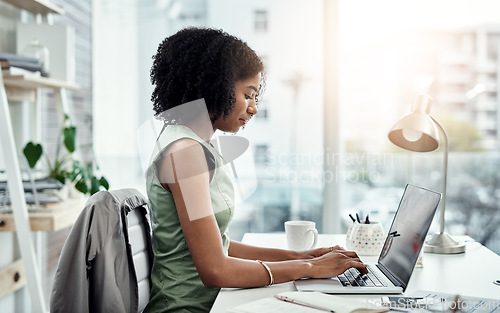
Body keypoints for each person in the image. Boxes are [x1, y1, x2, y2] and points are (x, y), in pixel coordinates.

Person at [144, 27, 367, 313]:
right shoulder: (185, 153)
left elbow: (220, 246)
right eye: (248, 95)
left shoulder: (191, 144)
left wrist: (301, 256)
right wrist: (309, 267)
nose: (253, 108)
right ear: (216, 86)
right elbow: (215, 269)